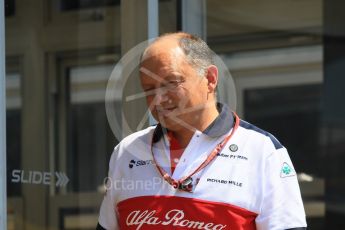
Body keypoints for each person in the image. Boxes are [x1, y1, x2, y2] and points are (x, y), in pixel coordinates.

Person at [97, 32, 307, 230]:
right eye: (149, 89)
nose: (159, 99)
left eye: (171, 83)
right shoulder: (127, 151)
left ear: (210, 79)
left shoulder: (262, 151)